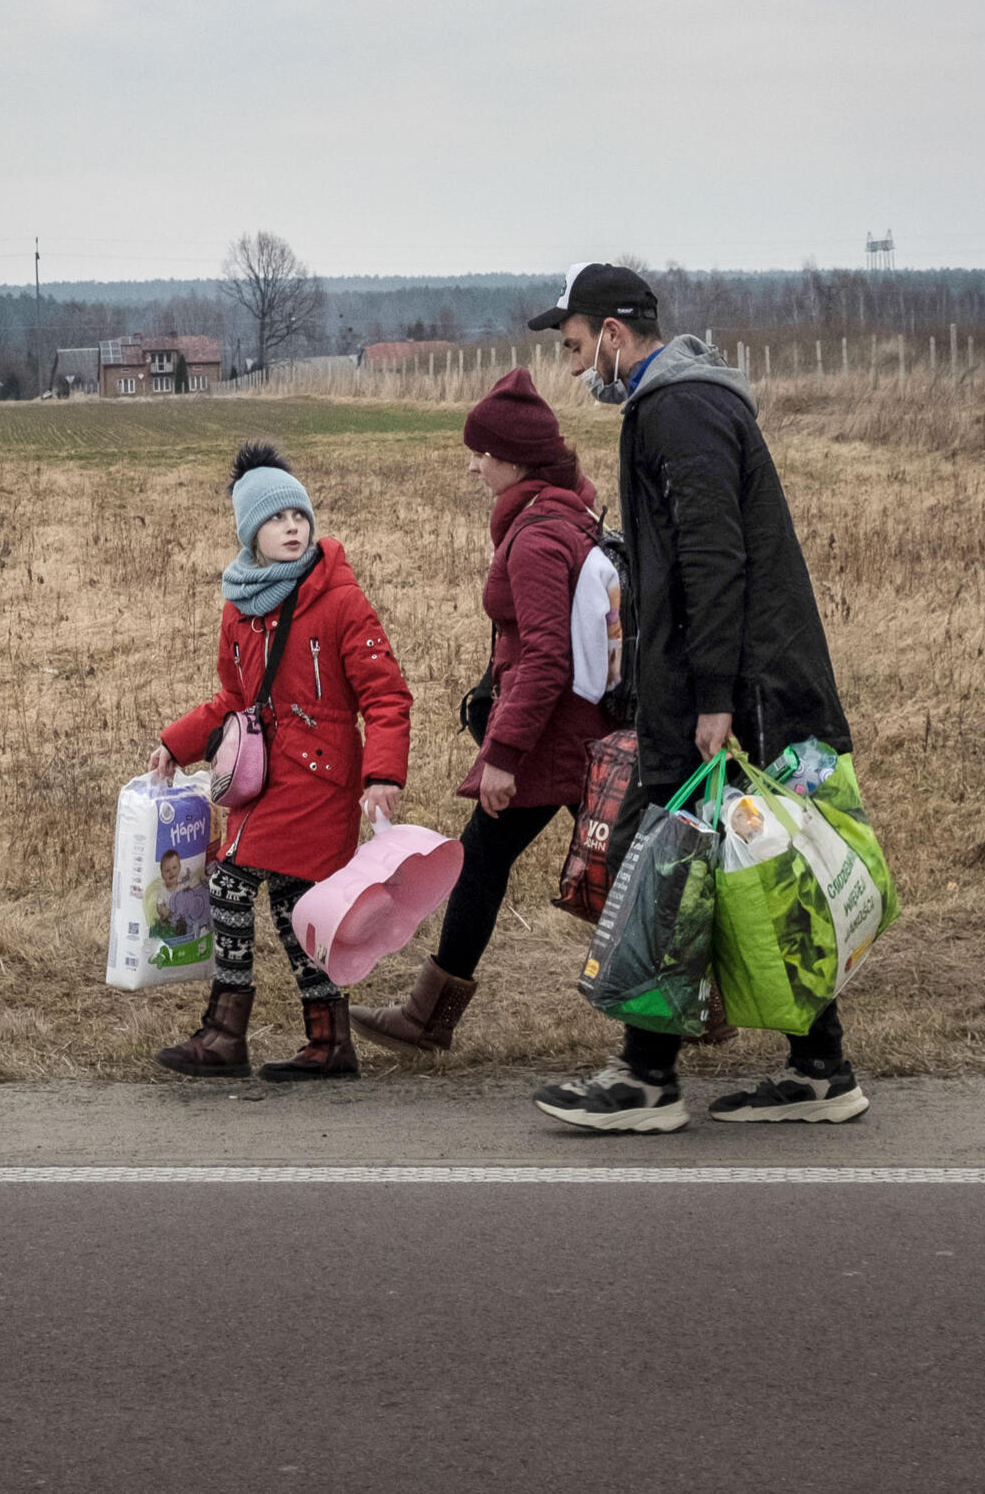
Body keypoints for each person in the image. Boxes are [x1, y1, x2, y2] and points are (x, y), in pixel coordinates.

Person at [521, 263, 867, 1134]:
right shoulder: (679, 403)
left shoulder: (679, 409)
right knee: (752, 872)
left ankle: (645, 1079)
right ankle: (819, 1066)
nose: (572, 370)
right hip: (730, 681)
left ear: (613, 334)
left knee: (666, 864)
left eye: (573, 347)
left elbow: (715, 558)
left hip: (735, 693)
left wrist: (713, 697)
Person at [350, 368, 610, 1055]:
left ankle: (426, 1020)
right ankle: (426, 1019)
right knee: (589, 869)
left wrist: (502, 755)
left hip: (554, 739)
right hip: (579, 732)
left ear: (511, 457)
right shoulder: (569, 510)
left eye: (481, 454)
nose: (473, 467)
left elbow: (548, 657)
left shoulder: (535, 537)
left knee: (611, 878)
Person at [147, 442, 413, 1082]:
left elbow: (386, 693)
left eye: (299, 516)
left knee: (232, 882)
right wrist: (176, 742)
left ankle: (224, 1033)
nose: (292, 528)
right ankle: (329, 1042)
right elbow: (233, 700)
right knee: (298, 908)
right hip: (260, 779)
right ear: (249, 534)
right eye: (276, 519)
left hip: (320, 780)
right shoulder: (240, 608)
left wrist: (383, 774)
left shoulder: (341, 601)